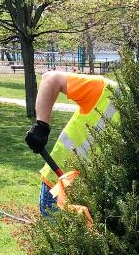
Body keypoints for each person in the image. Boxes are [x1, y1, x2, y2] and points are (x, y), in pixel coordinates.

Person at [23, 70, 118, 217]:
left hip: (101, 198)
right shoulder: (106, 92)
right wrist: (41, 125)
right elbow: (52, 79)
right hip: (60, 187)